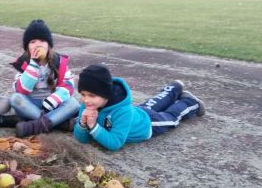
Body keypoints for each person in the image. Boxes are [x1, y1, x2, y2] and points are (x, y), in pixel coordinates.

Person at [73, 65, 206, 151]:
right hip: (138, 112)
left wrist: (93, 126)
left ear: (105, 94)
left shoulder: (121, 111)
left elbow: (115, 143)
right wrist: (83, 124)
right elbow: (82, 139)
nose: (85, 100)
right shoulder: (86, 107)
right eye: (83, 94)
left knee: (172, 117)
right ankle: (174, 87)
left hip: (146, 124)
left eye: (91, 95)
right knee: (154, 102)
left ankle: (189, 102)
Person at [10, 19, 80, 137]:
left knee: (73, 103)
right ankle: (59, 122)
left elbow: (69, 84)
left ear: (48, 45)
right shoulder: (23, 63)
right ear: (27, 46)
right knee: (14, 99)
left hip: (52, 106)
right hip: (31, 106)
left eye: (42, 41)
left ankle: (34, 126)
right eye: (33, 41)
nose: (38, 44)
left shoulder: (59, 62)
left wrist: (54, 99)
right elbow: (21, 90)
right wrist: (33, 64)